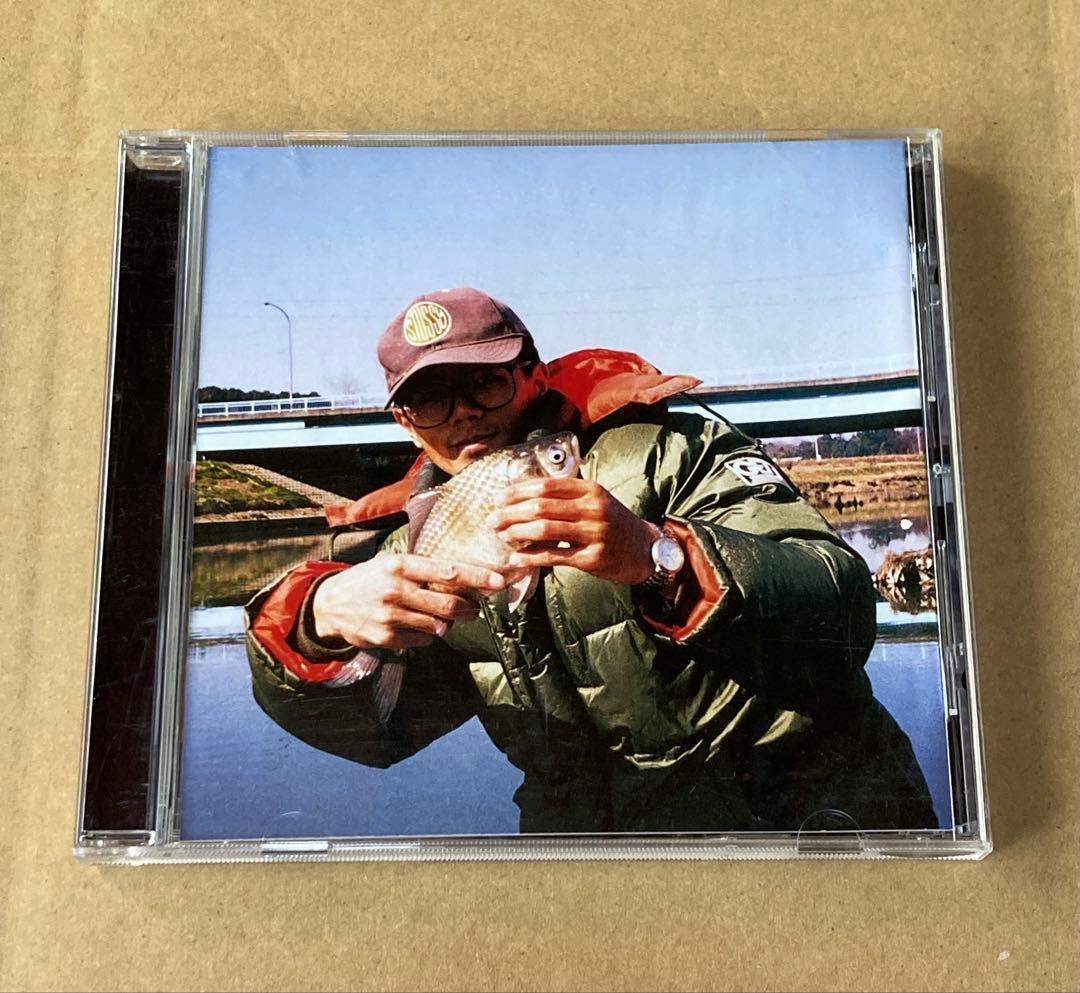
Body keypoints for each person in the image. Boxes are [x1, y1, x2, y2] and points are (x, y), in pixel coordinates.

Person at [244, 286, 935, 833]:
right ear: (404, 421)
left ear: (531, 374)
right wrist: (315, 622)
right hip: (592, 857)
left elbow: (843, 613)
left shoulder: (672, 448)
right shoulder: (411, 543)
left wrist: (658, 555)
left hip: (803, 817)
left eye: (484, 383)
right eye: (429, 400)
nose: (463, 414)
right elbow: (380, 733)